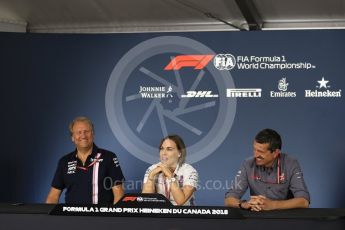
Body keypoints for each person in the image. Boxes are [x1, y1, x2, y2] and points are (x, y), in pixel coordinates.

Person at [225, 128, 310, 211]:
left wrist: (273, 205)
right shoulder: (247, 164)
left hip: (284, 217)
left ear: (275, 153)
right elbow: (229, 199)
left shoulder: (290, 163)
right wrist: (243, 204)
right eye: (255, 150)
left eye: (261, 152)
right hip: (257, 216)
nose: (255, 155)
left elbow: (304, 201)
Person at [45, 116, 125, 204]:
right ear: (72, 137)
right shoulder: (64, 161)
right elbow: (53, 196)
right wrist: (49, 217)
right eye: (79, 132)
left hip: (101, 217)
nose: (83, 135)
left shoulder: (109, 157)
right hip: (71, 217)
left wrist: (112, 217)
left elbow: (119, 193)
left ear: (93, 134)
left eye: (86, 131)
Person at [142, 135, 198, 206]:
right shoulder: (152, 169)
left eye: (169, 149)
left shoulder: (190, 171)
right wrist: (151, 177)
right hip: (159, 214)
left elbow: (180, 201)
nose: (164, 153)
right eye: (162, 149)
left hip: (184, 215)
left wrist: (170, 176)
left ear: (179, 153)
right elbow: (145, 200)